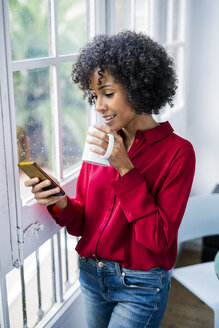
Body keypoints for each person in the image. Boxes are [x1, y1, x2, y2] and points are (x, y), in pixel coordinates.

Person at [25, 31, 195, 328]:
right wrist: (60, 200)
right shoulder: (101, 142)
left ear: (138, 87)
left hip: (141, 287)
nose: (98, 105)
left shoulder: (178, 153)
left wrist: (126, 170)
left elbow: (157, 241)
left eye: (108, 93)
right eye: (94, 95)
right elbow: (84, 224)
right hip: (92, 276)